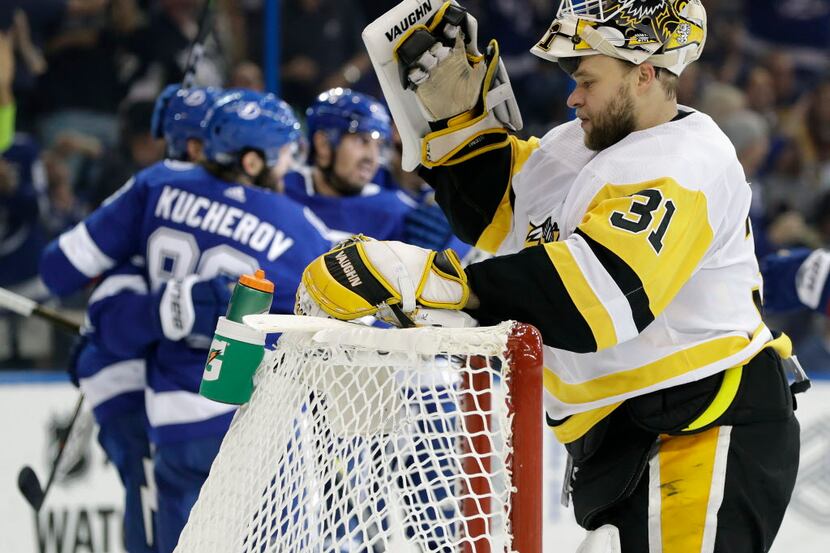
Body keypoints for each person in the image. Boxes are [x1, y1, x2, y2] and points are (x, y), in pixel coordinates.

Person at [298, 1, 804, 551]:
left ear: (644, 74)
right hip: (631, 434)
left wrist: (428, 280)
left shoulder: (688, 159)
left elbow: (596, 297)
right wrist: (459, 126)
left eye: (587, 79)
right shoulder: (579, 145)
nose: (572, 96)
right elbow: (497, 212)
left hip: (703, 428)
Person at [40, 89, 331, 553]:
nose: (290, 165)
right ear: (252, 161)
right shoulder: (291, 221)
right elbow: (353, 304)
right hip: (251, 420)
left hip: (172, 418)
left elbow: (58, 270)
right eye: (282, 154)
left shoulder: (156, 188)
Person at [58, 85, 219, 553]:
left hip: (189, 395)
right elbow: (110, 299)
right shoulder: (147, 195)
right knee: (150, 495)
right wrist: (102, 337)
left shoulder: (166, 195)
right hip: (150, 390)